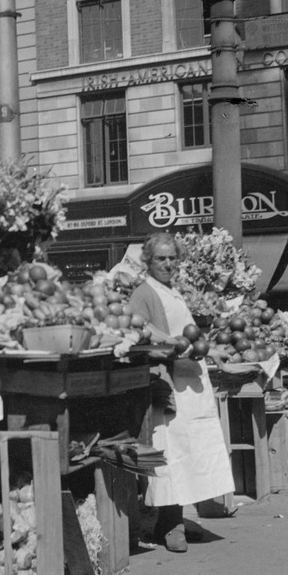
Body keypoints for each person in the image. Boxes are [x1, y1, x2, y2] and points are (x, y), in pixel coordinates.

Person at [125, 232, 236, 553]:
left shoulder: (172, 292)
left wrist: (210, 349)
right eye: (161, 258)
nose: (168, 264)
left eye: (172, 258)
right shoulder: (143, 293)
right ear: (148, 261)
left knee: (190, 454)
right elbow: (140, 331)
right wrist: (174, 346)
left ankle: (171, 520)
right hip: (169, 384)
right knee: (171, 454)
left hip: (190, 385)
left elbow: (187, 335)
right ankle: (170, 524)